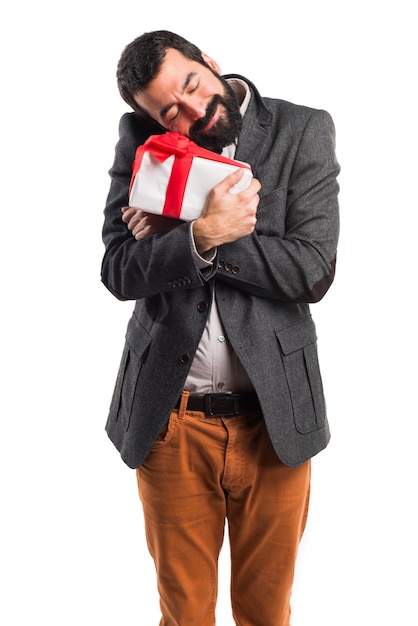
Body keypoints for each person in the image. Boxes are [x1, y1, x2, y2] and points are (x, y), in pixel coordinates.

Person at [101, 29, 340, 626]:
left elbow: (312, 271)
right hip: (171, 420)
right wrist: (199, 237)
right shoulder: (141, 144)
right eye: (169, 113)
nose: (190, 110)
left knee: (265, 612)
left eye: (190, 84)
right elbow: (117, 269)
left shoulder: (301, 130)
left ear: (208, 62)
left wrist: (199, 232)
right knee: (184, 614)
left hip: (274, 419)